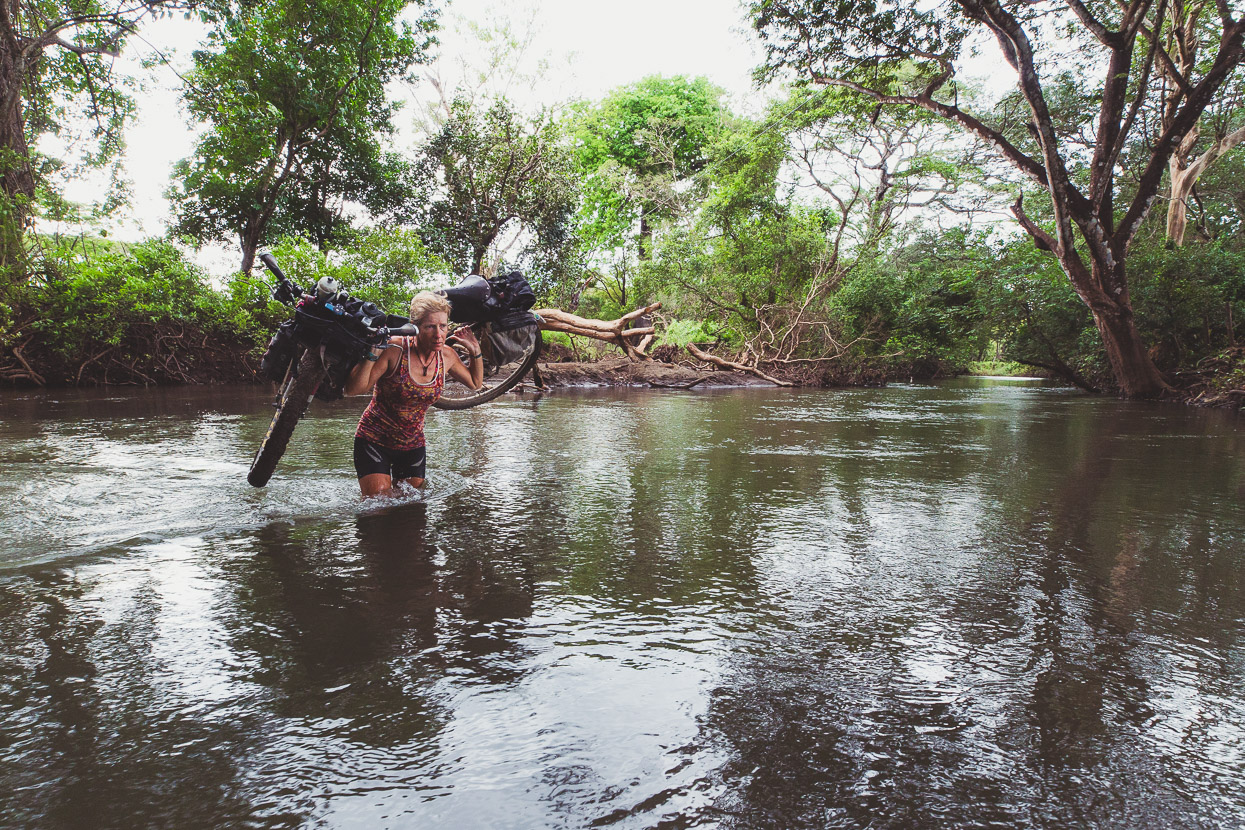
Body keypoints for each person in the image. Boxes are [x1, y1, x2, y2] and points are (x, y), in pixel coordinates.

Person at [345, 291, 483, 497]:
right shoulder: (395, 349)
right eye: (430, 327)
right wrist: (373, 350)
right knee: (379, 506)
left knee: (410, 511)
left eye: (443, 326)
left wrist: (475, 350)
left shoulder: (447, 356)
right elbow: (353, 389)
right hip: (374, 440)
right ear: (415, 327)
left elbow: (475, 383)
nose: (438, 334)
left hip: (413, 445)